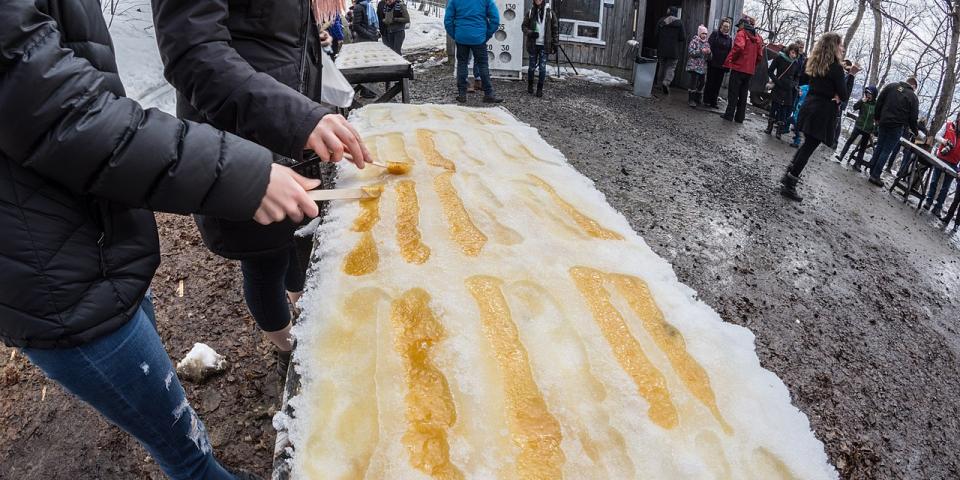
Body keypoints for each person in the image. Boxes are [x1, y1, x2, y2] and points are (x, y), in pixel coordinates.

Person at [1, 1, 328, 478]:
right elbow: (66, 114)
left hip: (95, 237)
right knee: (184, 452)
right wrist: (242, 175)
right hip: (47, 275)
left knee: (168, 410)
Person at [153, 0, 372, 383]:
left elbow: (261, 31)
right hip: (239, 140)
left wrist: (305, 43)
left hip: (289, 132)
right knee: (264, 258)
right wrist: (298, 117)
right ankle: (288, 348)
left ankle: (299, 307)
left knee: (297, 240)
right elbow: (195, 53)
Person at [780, 32, 849, 202]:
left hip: (810, 106)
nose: (842, 48)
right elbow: (844, 94)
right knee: (808, 148)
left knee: (805, 145)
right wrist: (848, 81)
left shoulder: (817, 63)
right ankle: (790, 183)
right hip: (823, 111)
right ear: (834, 46)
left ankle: (788, 176)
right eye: (840, 44)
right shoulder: (836, 68)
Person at [446, 0, 503, 103]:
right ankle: (489, 94)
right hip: (479, 38)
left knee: (462, 64)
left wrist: (455, 35)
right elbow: (495, 19)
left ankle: (462, 94)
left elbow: (448, 20)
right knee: (483, 65)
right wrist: (486, 35)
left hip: (461, 37)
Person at [866, 77, 920, 186]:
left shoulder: (891, 86)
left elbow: (880, 101)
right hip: (897, 127)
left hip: (883, 121)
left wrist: (877, 118)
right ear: (913, 86)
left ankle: (872, 170)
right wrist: (916, 132)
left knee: (879, 146)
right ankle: (875, 175)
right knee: (886, 151)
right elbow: (913, 118)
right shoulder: (913, 97)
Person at [720, 15, 764, 123]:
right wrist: (753, 64)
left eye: (739, 26)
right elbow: (760, 55)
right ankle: (740, 118)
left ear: (743, 25)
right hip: (749, 71)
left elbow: (739, 47)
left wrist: (733, 60)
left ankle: (729, 115)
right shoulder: (757, 37)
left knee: (733, 92)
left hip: (738, 68)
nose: (738, 28)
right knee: (743, 95)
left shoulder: (742, 33)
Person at [522, 0, 560, 98]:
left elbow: (555, 29)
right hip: (533, 45)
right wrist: (530, 33)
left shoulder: (550, 13)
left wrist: (555, 43)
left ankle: (539, 89)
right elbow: (524, 26)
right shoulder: (530, 12)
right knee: (531, 67)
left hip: (545, 45)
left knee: (542, 68)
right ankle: (530, 86)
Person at [925, 113, 960, 216]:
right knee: (934, 181)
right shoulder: (948, 125)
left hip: (954, 163)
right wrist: (945, 141)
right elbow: (937, 136)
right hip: (942, 157)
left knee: (946, 187)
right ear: (958, 118)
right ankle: (928, 201)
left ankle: (938, 207)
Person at [837, 86, 878, 172]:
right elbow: (855, 107)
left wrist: (874, 130)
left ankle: (857, 164)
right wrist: (861, 101)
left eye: (870, 94)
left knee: (862, 148)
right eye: (867, 93)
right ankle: (841, 156)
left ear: (874, 95)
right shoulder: (863, 101)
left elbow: (877, 119)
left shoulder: (876, 105)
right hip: (858, 126)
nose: (868, 95)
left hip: (867, 129)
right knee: (849, 141)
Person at [765, 42, 802, 139]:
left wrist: (793, 84)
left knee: (783, 111)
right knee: (774, 107)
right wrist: (777, 81)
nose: (793, 55)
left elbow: (797, 77)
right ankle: (769, 127)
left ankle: (779, 131)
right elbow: (770, 71)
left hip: (788, 89)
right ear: (789, 51)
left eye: (795, 53)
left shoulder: (796, 63)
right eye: (792, 52)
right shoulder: (780, 57)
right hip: (778, 86)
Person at [655, 7, 687, 95]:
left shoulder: (661, 21)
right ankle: (666, 82)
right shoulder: (679, 23)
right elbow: (682, 37)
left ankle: (658, 84)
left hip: (662, 49)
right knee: (671, 67)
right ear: (676, 13)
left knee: (661, 66)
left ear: (668, 11)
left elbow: (656, 34)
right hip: (674, 50)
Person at [704, 17, 733, 109]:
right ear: (721, 26)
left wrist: (728, 65)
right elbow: (709, 45)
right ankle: (706, 100)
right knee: (710, 82)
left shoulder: (729, 39)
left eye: (728, 27)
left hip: (722, 65)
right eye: (725, 26)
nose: (726, 28)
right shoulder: (715, 34)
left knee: (717, 84)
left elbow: (729, 52)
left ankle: (713, 102)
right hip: (713, 63)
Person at [685, 25, 712, 107]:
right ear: (699, 33)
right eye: (703, 33)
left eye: (706, 34)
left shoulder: (707, 43)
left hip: (702, 67)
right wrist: (700, 51)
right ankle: (691, 99)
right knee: (694, 82)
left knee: (702, 82)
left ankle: (698, 97)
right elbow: (691, 52)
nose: (704, 35)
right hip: (694, 66)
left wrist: (709, 53)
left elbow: (710, 58)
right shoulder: (694, 41)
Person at [789, 83, 810, 148]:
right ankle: (796, 136)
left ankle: (797, 140)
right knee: (794, 121)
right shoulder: (805, 87)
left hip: (803, 109)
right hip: (799, 108)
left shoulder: (808, 89)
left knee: (798, 124)